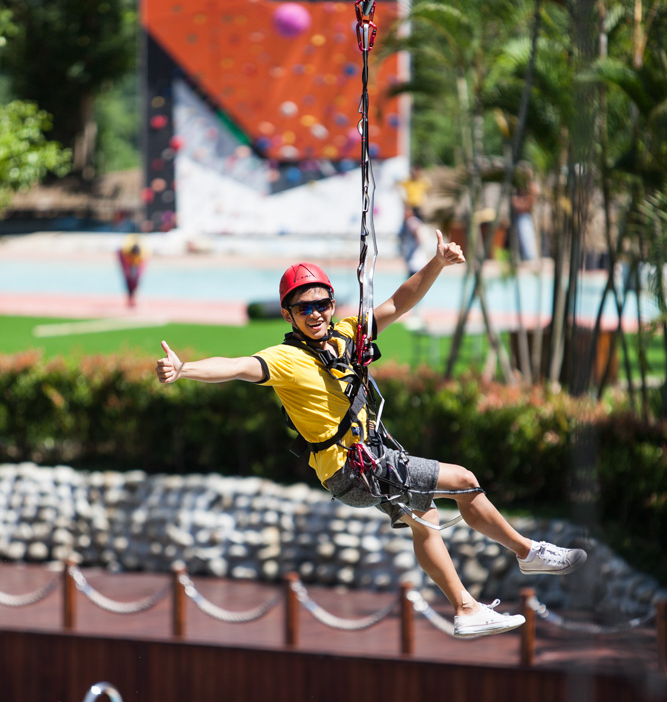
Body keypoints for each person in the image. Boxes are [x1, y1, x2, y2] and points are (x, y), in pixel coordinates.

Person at [156, 233, 587, 638]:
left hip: (362, 465)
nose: (315, 314)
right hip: (352, 469)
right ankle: (527, 552)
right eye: (303, 309)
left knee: (427, 521)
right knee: (462, 480)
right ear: (287, 315)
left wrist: (436, 263)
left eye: (322, 304)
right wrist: (185, 369)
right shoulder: (285, 360)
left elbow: (399, 302)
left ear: (332, 303)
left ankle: (467, 609)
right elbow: (234, 366)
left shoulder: (346, 334)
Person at [118, 238, 148, 307]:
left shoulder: (143, 254)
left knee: (136, 278)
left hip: (138, 260)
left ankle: (134, 297)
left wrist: (138, 274)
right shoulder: (125, 252)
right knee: (128, 278)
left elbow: (142, 267)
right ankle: (130, 297)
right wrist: (127, 271)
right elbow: (124, 263)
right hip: (124, 257)